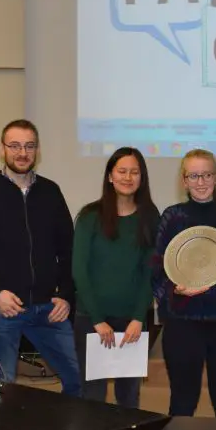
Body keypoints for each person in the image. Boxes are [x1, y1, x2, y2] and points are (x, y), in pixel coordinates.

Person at [0, 119, 81, 395]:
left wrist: (67, 295)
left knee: (79, 379)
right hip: (2, 309)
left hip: (49, 308)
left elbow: (70, 250)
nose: (23, 153)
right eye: (15, 146)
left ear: (37, 150)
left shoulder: (51, 192)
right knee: (4, 388)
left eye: (29, 146)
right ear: (2, 149)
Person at [152, 149, 216, 418]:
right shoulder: (172, 217)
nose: (201, 182)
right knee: (183, 401)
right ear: (184, 180)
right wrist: (175, 289)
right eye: (194, 176)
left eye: (206, 175)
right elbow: (157, 269)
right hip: (183, 322)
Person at [73, 147, 159, 408]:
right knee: (93, 397)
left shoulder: (150, 216)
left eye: (134, 172)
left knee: (129, 397)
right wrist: (97, 320)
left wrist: (138, 318)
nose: (128, 177)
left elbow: (150, 271)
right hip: (92, 319)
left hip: (132, 321)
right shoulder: (89, 216)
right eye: (122, 171)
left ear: (142, 178)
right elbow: (79, 270)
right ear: (110, 176)